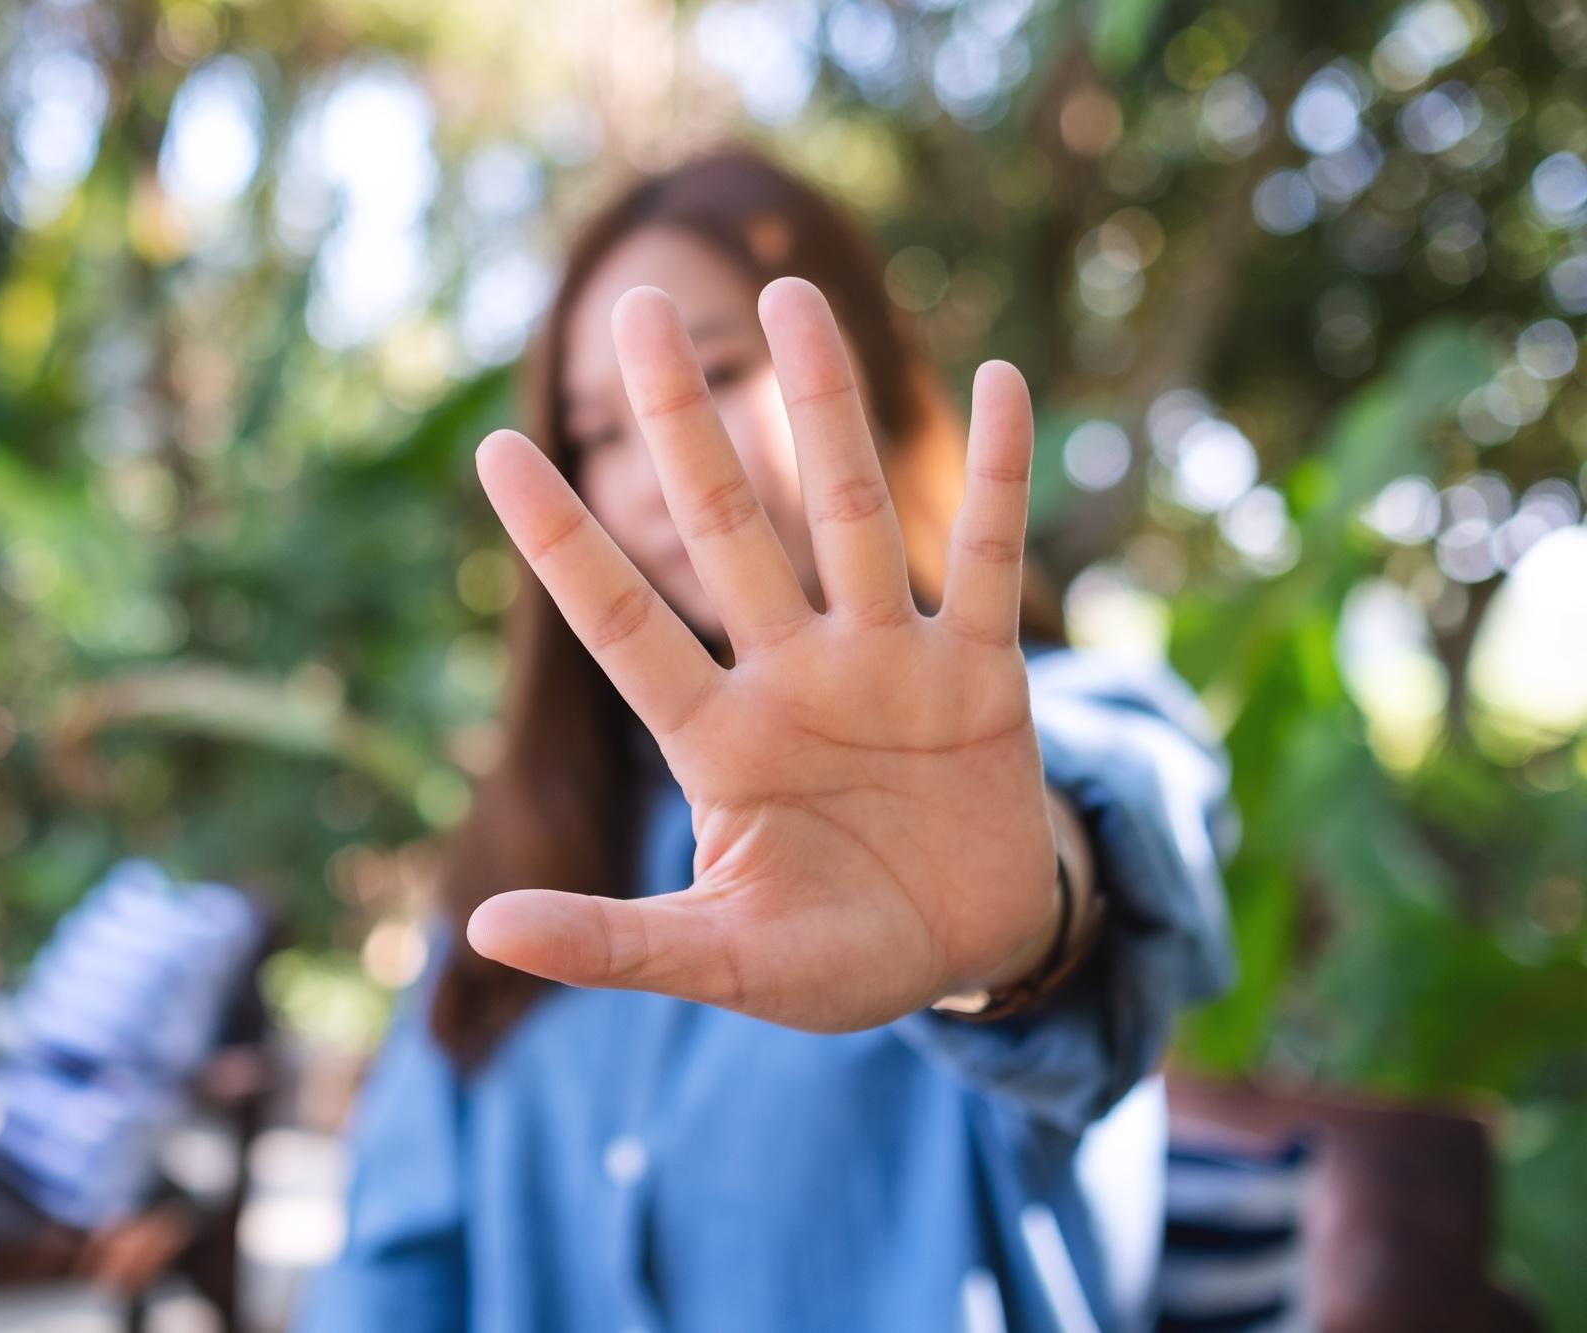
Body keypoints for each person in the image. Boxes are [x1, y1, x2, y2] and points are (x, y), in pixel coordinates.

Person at [295, 146, 1236, 1332]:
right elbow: (395, 1254)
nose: (651, 475)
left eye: (713, 373)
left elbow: (1118, 822)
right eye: (599, 430)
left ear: (864, 384)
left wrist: (1017, 936)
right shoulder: (537, 827)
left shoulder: (1054, 719)